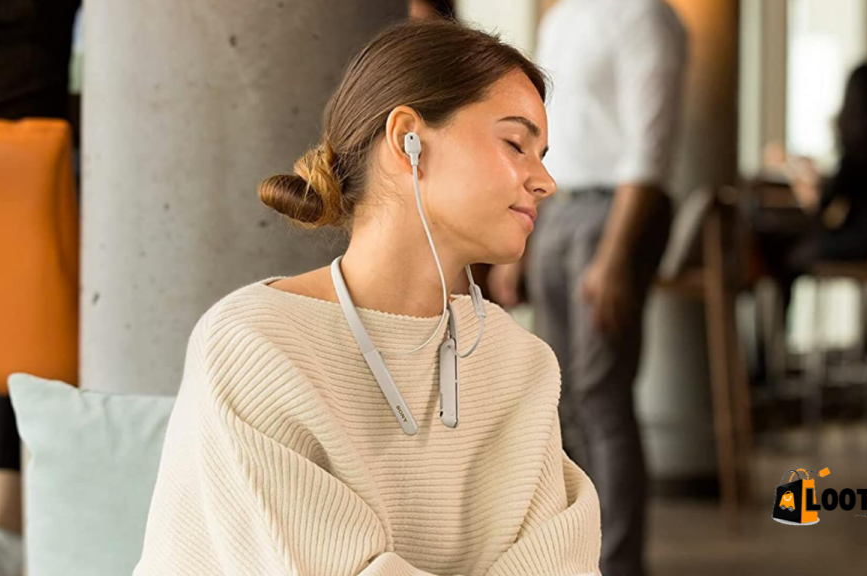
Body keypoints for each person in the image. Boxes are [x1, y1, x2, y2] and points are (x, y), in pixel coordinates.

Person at [133, 20, 602, 576]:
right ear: (409, 141)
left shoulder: (521, 365)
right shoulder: (252, 346)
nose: (544, 180)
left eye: (542, 153)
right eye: (516, 144)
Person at [489, 1, 687, 574]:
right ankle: (572, 558)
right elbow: (542, 138)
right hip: (555, 208)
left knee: (601, 397)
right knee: (558, 397)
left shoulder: (646, 17)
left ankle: (618, 565)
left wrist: (616, 256)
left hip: (615, 215)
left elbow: (648, 150)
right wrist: (519, 236)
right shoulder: (560, 18)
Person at [0, 2, 81, 575]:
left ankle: (0, 526)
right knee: (17, 338)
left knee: (12, 338)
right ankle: (3, 523)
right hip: (24, 173)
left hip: (19, 173)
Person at [756, 61, 867, 316]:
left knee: (785, 255)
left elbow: (827, 203)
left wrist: (806, 183)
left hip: (863, 241)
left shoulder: (861, 142)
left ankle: (770, 342)